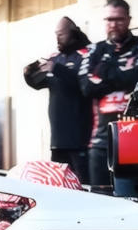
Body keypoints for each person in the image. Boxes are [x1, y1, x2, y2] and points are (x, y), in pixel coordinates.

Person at [79, 0, 138, 196]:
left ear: (129, 19)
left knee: (137, 201)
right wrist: (124, 72)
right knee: (99, 201)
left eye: (119, 19)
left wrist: (103, 74)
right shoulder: (93, 51)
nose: (114, 24)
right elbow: (86, 88)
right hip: (101, 143)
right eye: (109, 19)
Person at [21, 16, 94, 183]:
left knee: (84, 185)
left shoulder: (87, 54)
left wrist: (57, 69)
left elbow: (85, 85)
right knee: (59, 184)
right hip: (58, 139)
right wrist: (28, 74)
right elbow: (39, 83)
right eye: (56, 34)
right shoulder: (56, 58)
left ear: (73, 33)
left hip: (81, 139)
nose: (57, 38)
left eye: (61, 34)